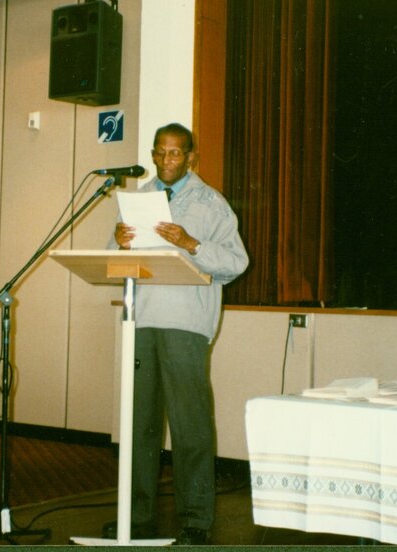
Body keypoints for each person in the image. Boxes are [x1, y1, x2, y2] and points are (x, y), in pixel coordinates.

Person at [103, 122, 249, 545]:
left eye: (176, 153)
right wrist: (118, 242)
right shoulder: (138, 200)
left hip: (185, 323)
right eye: (160, 152)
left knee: (190, 427)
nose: (167, 160)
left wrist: (190, 242)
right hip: (141, 320)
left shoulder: (211, 203)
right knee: (139, 426)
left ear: (190, 157)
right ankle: (137, 514)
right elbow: (113, 261)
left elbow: (236, 262)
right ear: (152, 154)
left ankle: (196, 519)